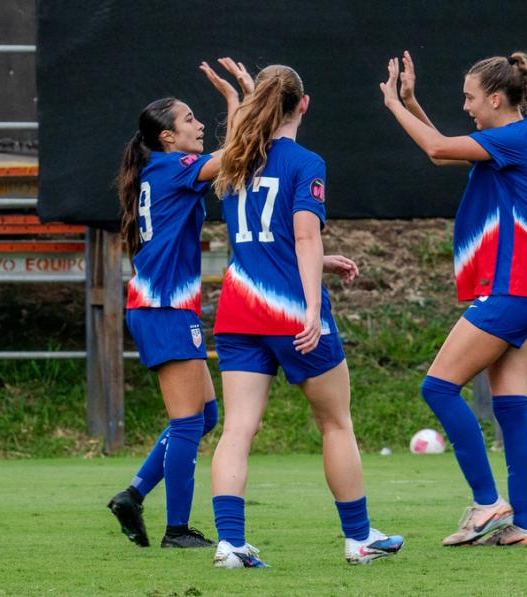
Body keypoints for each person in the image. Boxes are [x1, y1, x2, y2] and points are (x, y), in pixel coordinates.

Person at [208, 63, 403, 568]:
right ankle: (358, 538)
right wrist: (313, 309)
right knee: (336, 423)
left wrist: (321, 260)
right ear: (304, 104)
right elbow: (302, 235)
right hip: (293, 313)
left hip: (239, 311)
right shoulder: (305, 162)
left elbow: (268, 238)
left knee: (237, 430)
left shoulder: (235, 161)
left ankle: (230, 544)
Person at [379, 50, 527, 547]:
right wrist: (413, 102)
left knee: (438, 388)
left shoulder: (516, 138)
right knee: (512, 406)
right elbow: (443, 150)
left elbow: (437, 147)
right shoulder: (518, 139)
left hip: (511, 286)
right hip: (526, 287)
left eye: (470, 97)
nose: (466, 106)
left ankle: (487, 502)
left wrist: (393, 104)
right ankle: (524, 525)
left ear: (496, 99)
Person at [106, 58, 253, 549]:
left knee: (204, 417)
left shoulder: (159, 169)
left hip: (162, 307)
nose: (198, 125)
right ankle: (177, 530)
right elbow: (234, 156)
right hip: (163, 309)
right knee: (188, 421)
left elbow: (228, 157)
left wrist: (235, 103)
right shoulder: (175, 167)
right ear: (168, 136)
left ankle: (133, 495)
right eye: (190, 119)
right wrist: (233, 100)